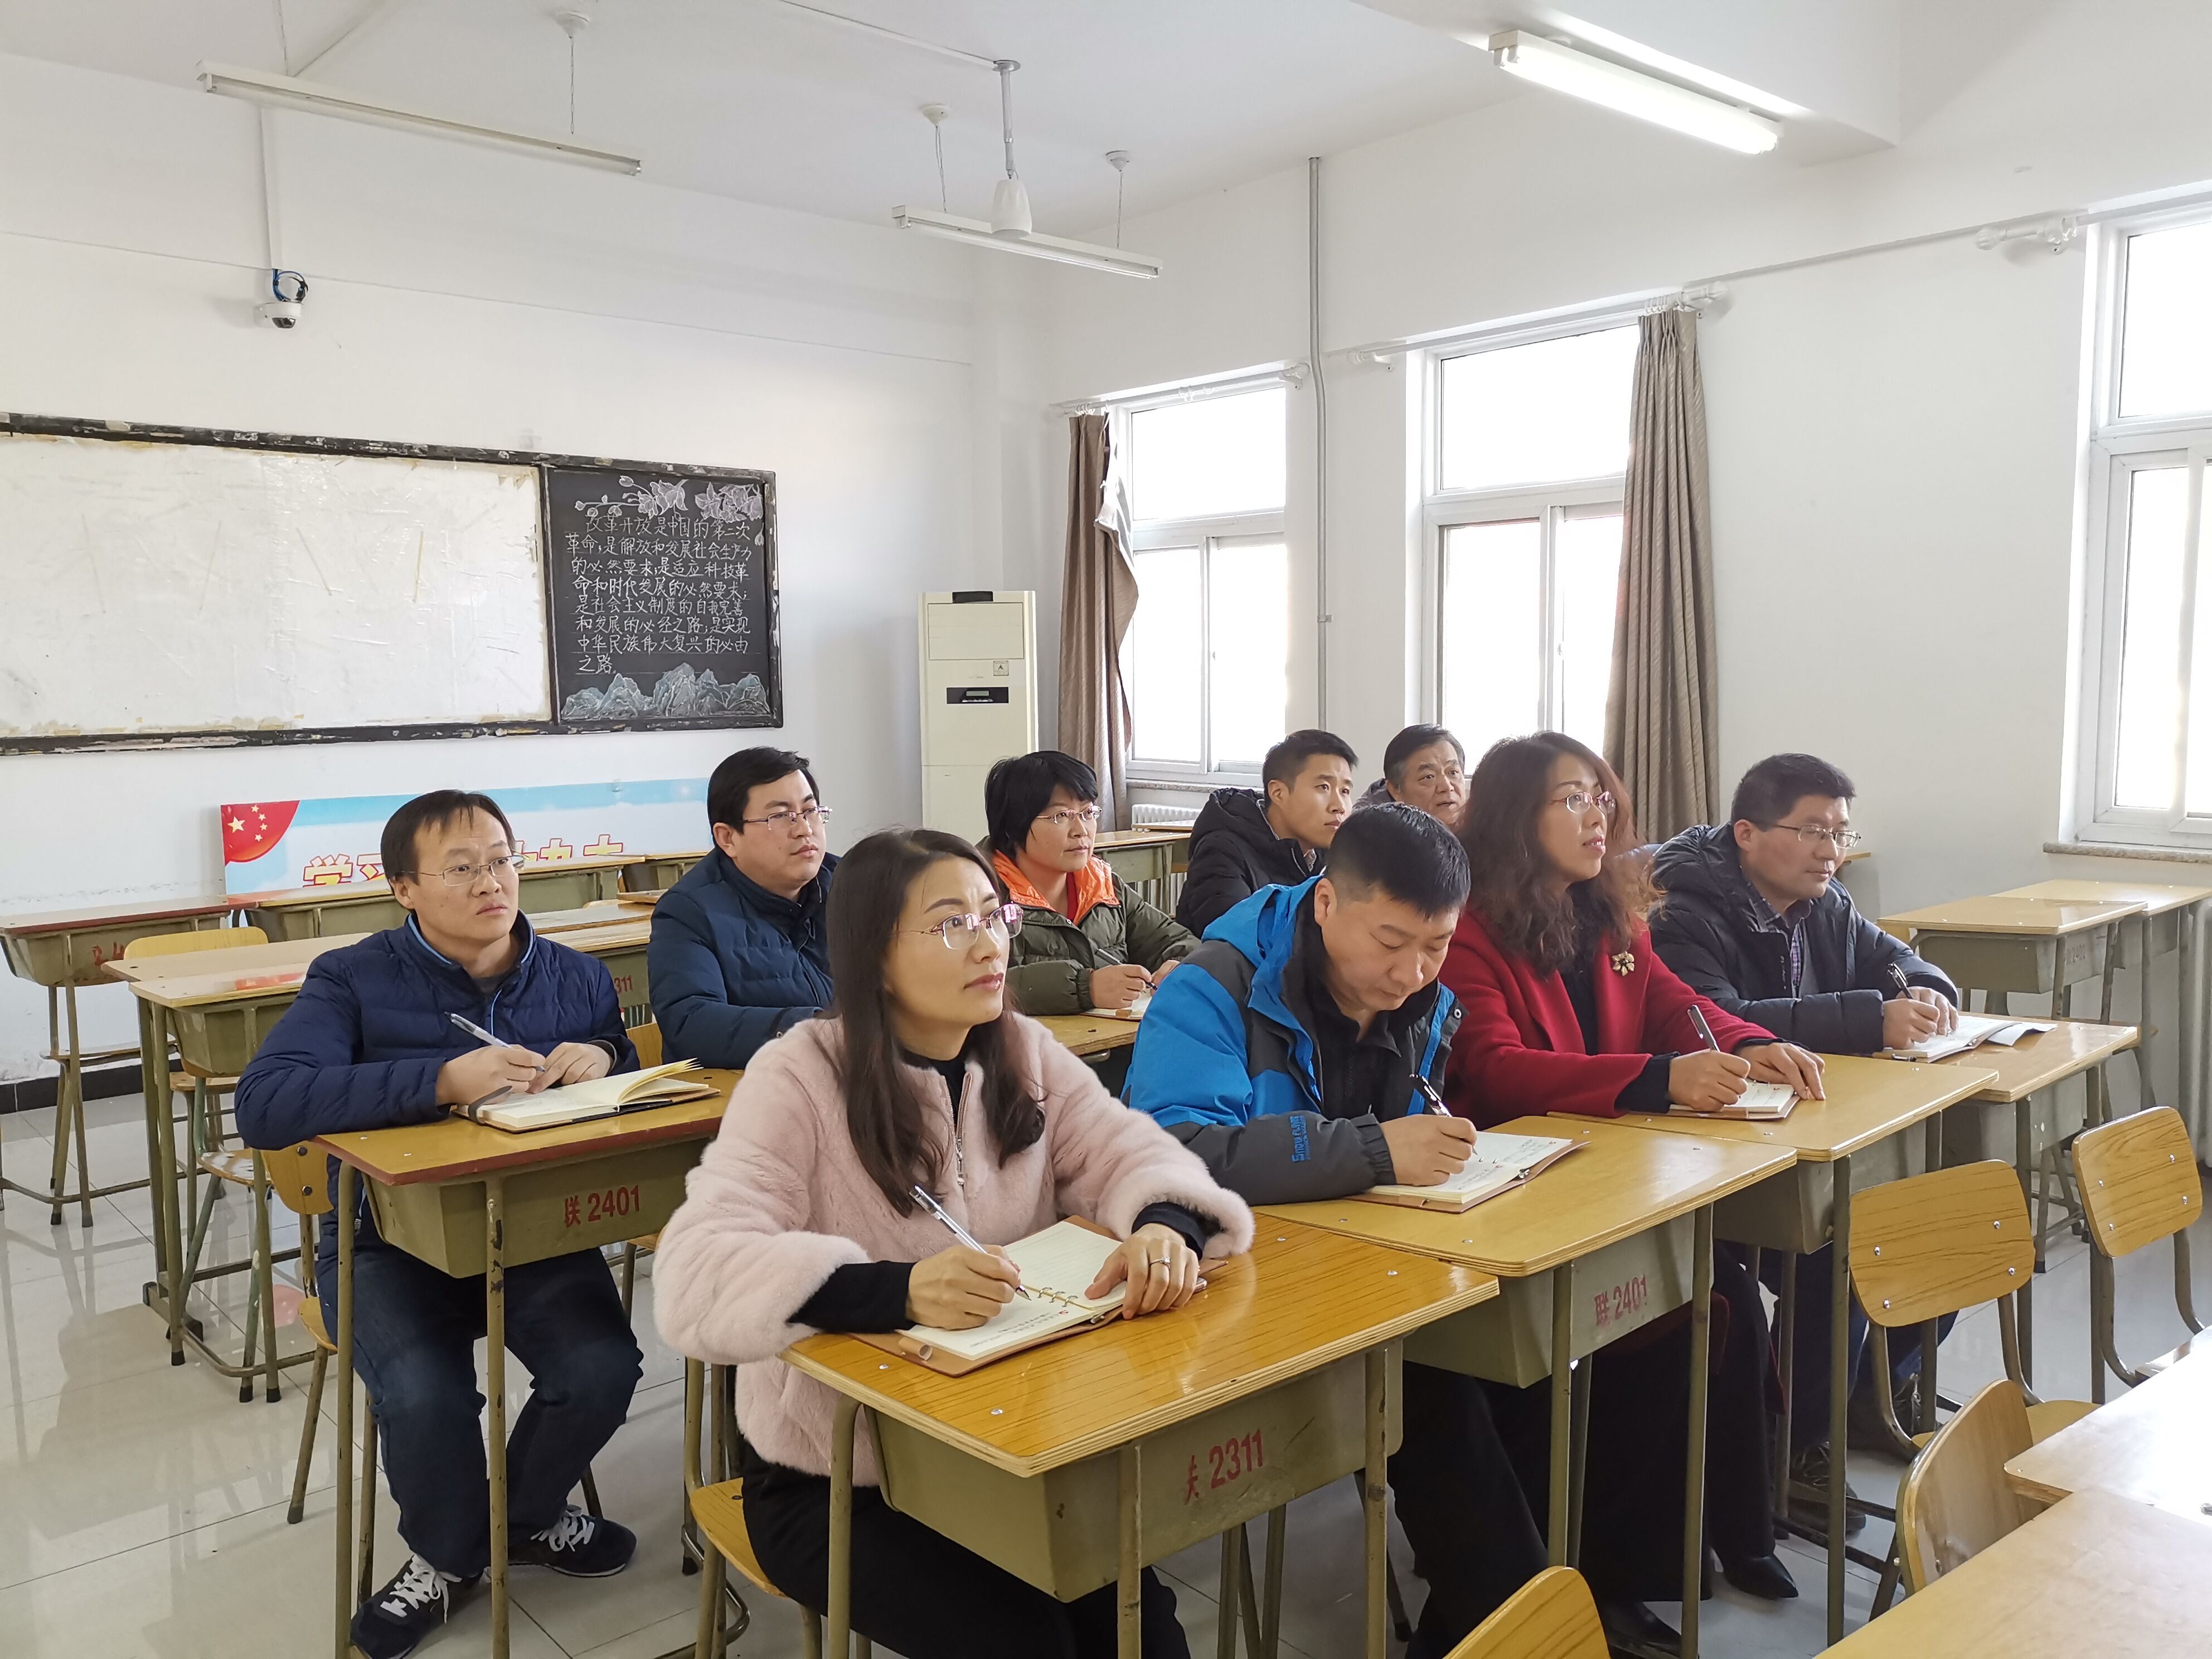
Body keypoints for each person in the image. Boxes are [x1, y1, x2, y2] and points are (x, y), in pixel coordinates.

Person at [653, 828, 1252, 1659]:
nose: (988, 944)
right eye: (950, 924)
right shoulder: (799, 1077)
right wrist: (896, 1291)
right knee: (1027, 1643)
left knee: (1139, 1634)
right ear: (872, 955)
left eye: (993, 915)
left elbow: (1132, 1154)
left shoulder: (1021, 1048)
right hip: (839, 1476)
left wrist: (1165, 1224)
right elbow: (694, 1273)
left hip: (1013, 1442)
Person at [1125, 803, 1547, 1657]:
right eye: (1391, 942)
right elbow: (1177, 1149)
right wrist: (1375, 1149)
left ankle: (1498, 1625)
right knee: (1444, 1405)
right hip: (1244, 1295)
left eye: (1436, 947)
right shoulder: (1216, 986)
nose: (1412, 972)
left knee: (1536, 1375)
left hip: (1372, 1276)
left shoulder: (1423, 1001)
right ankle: (1516, 1631)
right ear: (1326, 902)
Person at [236, 791, 643, 1659]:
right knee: (425, 1396)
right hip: (386, 1239)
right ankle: (447, 1558)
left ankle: (521, 1520)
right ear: (405, 889)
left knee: (603, 1367)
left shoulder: (573, 976)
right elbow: (266, 1104)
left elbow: (628, 1063)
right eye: (462, 869)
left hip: (528, 1227)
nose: (491, 882)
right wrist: (440, 1082)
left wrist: (606, 1055)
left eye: (501, 860)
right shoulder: (352, 978)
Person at [1442, 733, 1826, 1644]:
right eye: (1571, 799)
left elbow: (1672, 1004)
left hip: (1610, 1181)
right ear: (1516, 818)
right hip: (1520, 1198)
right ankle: (1610, 1572)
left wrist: (1746, 1043)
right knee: (1652, 1334)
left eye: (1601, 798)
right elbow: (1495, 1069)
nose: (1597, 816)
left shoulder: (1607, 912)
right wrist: (1657, 1079)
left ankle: (1734, 1527)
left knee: (1727, 1297)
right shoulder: (1469, 929)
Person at [1648, 752, 1962, 1534]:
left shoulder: (1826, 902)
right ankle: (1795, 1446)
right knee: (1835, 1255)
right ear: (1747, 834)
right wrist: (1866, 1017)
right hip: (1718, 1149)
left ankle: (1871, 1395)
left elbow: (1897, 959)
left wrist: (1927, 988)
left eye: (1841, 834)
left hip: (1816, 1128)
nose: (1831, 851)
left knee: (1939, 1223)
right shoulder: (1685, 915)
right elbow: (1716, 1019)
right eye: (1813, 831)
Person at [649, 746, 837, 1069]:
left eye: (810, 811)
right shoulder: (689, 912)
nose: (805, 829)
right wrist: (816, 1031)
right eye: (780, 817)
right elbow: (691, 1024)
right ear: (728, 838)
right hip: (754, 1092)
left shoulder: (855, 887)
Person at [984, 749, 1196, 1016]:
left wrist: (1181, 965)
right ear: (1012, 826)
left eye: (1088, 813)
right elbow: (978, 983)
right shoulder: (982, 897)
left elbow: (1179, 942)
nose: (1081, 831)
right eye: (1061, 816)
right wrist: (1085, 988)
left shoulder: (1103, 885)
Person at [1175, 729, 1357, 936]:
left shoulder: (1332, 855)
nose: (1339, 806)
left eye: (1345, 791)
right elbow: (1236, 940)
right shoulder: (1222, 852)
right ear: (1278, 793)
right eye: (1323, 787)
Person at [1359, 724, 1467, 827]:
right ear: (1396, 790)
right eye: (1429, 777)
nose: (1447, 787)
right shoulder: (1369, 835)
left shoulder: (1475, 825)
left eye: (1453, 773)